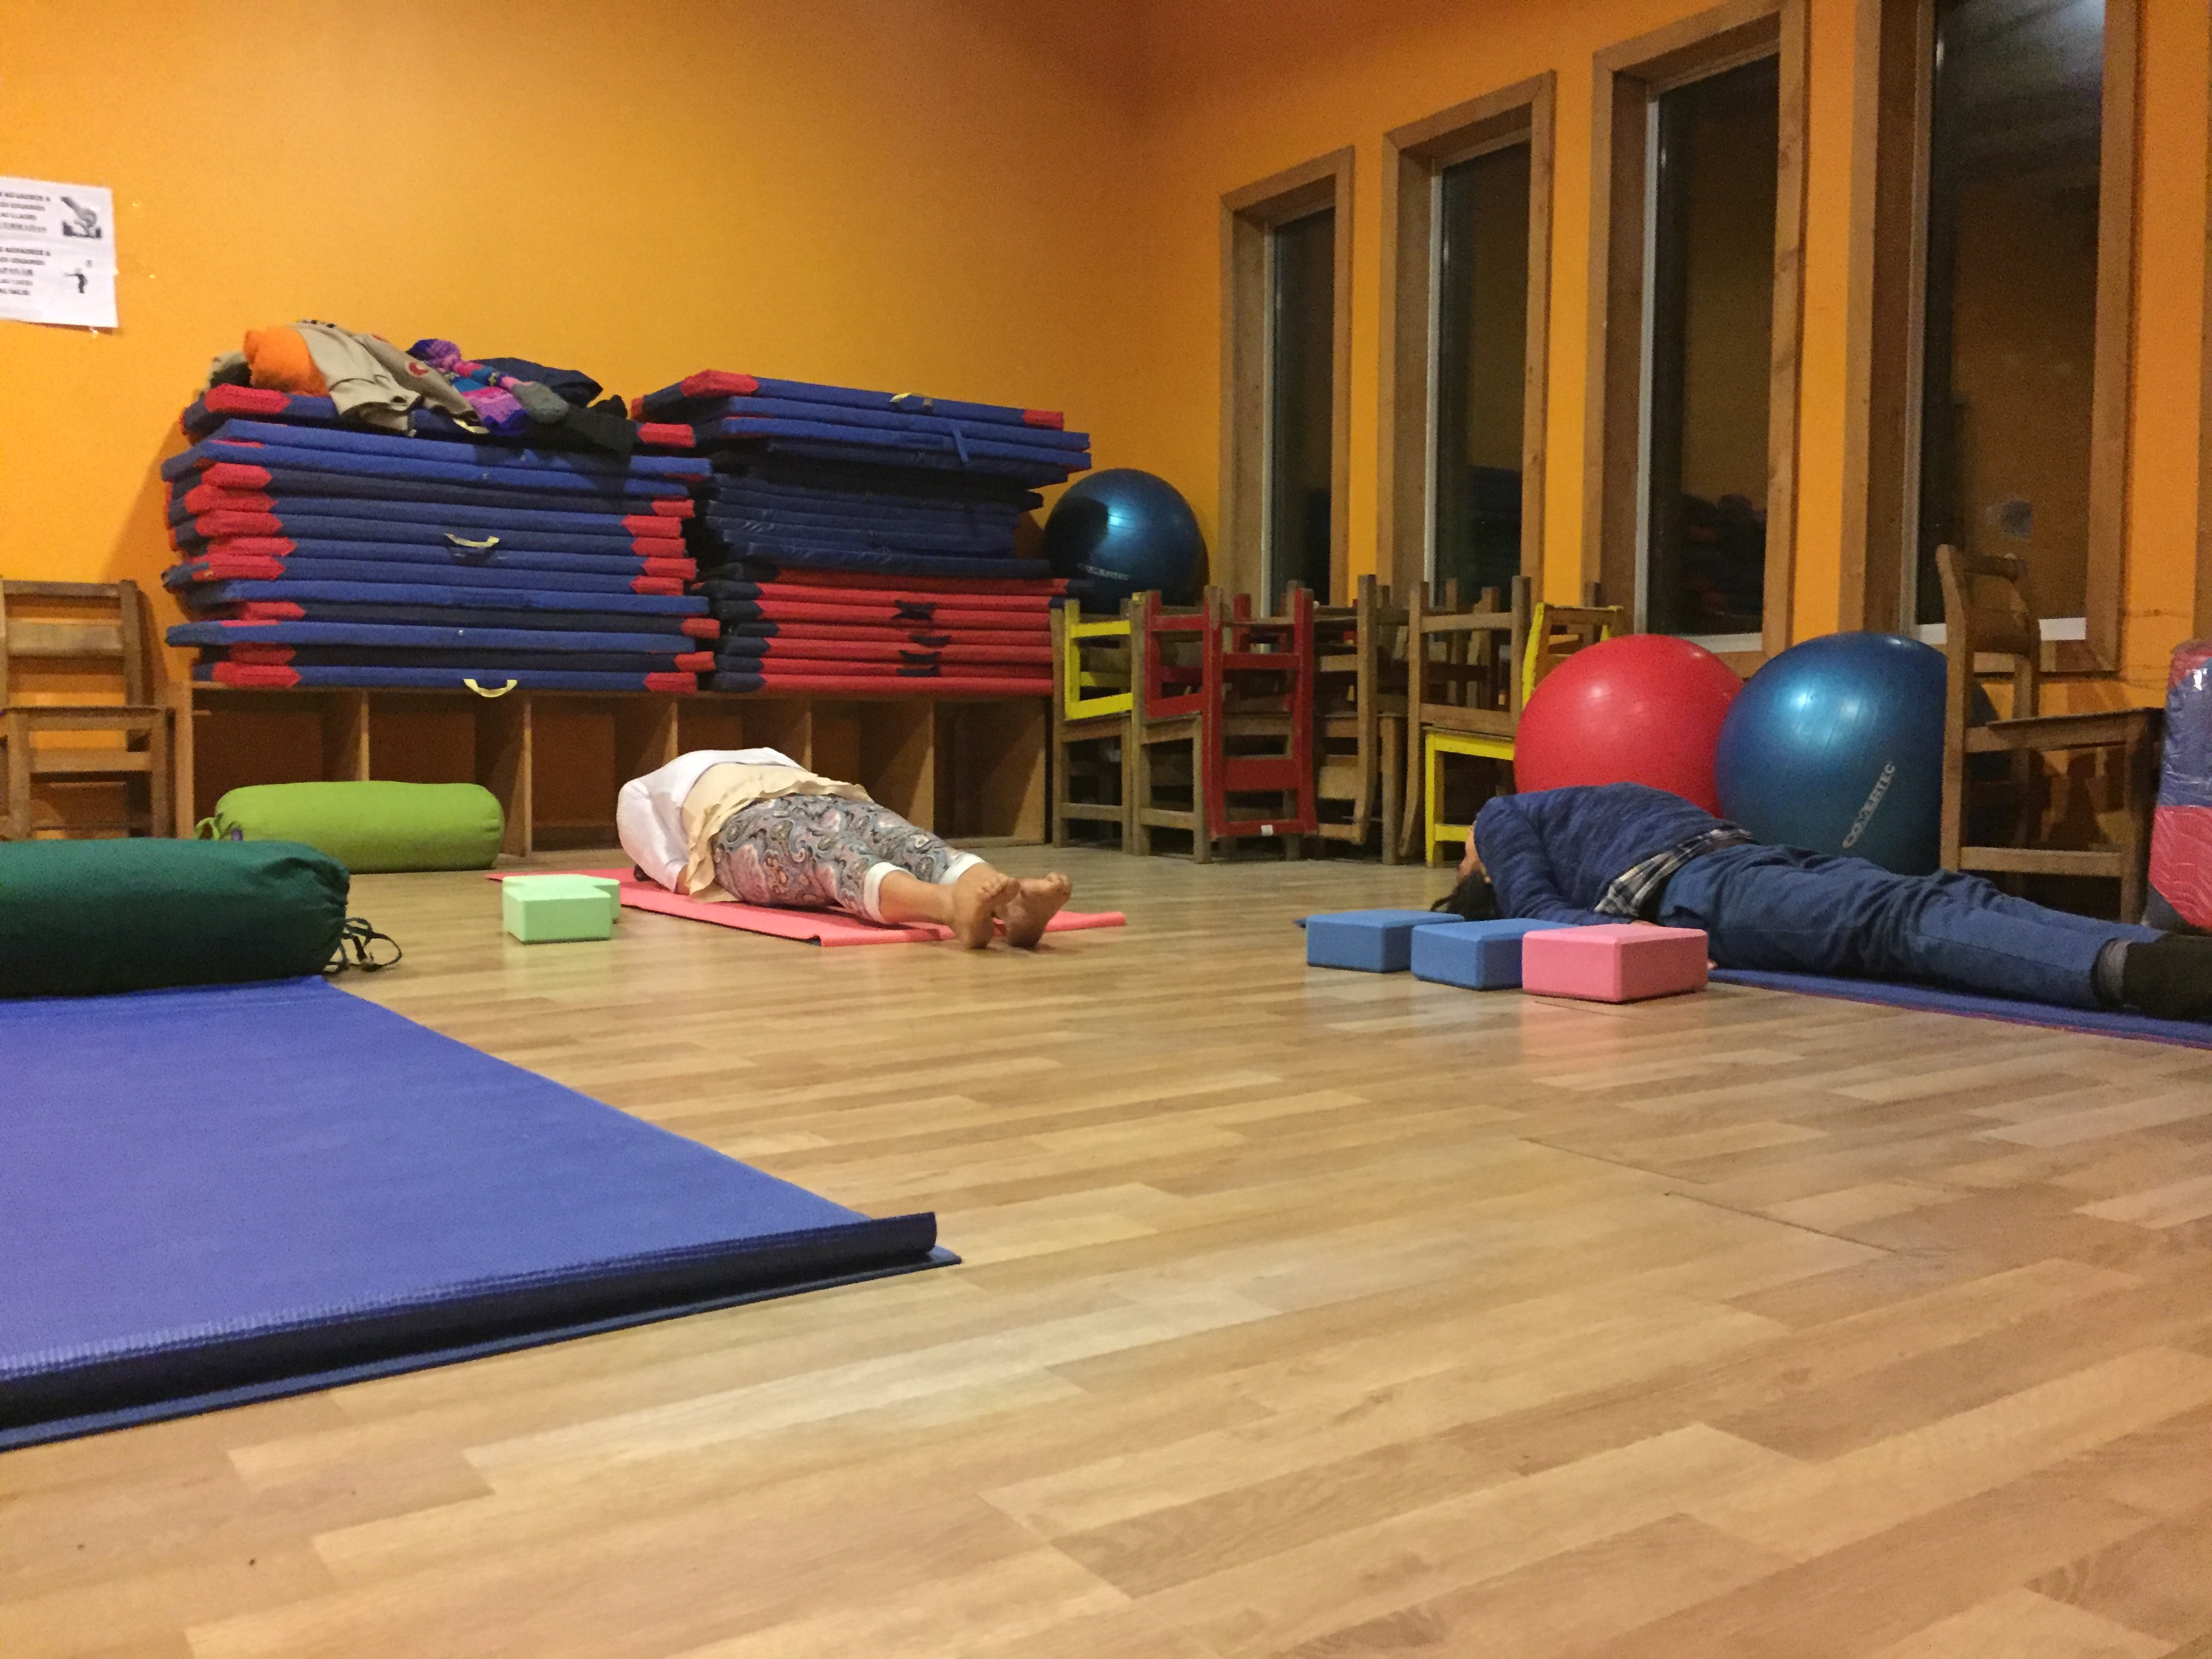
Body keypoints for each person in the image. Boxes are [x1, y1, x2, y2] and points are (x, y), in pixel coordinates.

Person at [1440, 782, 2212, 1019]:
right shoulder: (1512, 819)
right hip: (1708, 883)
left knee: (1931, 901)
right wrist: (1649, 942)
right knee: (1907, 916)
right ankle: (2153, 968)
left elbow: (1537, 907)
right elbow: (1540, 912)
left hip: (1728, 867)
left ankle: (2158, 957)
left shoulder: (1513, 815)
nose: (1465, 857)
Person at [618, 748, 1070, 949]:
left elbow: (670, 868)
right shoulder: (641, 790)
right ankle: (952, 905)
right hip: (739, 823)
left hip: (816, 796)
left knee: (893, 839)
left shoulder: (651, 785)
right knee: (838, 849)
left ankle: (1011, 907)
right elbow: (677, 873)